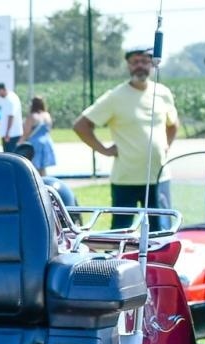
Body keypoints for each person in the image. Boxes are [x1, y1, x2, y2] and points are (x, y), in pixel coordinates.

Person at [74, 46, 179, 217]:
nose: (140, 66)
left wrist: (166, 145)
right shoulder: (115, 97)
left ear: (152, 64)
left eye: (144, 61)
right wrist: (105, 150)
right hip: (126, 179)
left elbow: (173, 124)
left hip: (158, 177)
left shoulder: (163, 93)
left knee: (161, 230)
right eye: (135, 62)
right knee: (122, 230)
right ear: (128, 65)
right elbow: (81, 126)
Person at [23, 94, 57, 176]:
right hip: (46, 142)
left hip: (35, 143)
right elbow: (49, 129)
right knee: (43, 167)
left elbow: (27, 132)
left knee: (34, 167)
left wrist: (21, 141)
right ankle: (44, 182)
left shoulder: (32, 116)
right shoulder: (47, 115)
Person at [0, 82, 23, 152]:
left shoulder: (10, 99)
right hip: (10, 134)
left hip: (11, 135)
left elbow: (11, 116)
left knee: (10, 155)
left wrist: (8, 133)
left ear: (2, 90)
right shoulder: (8, 98)